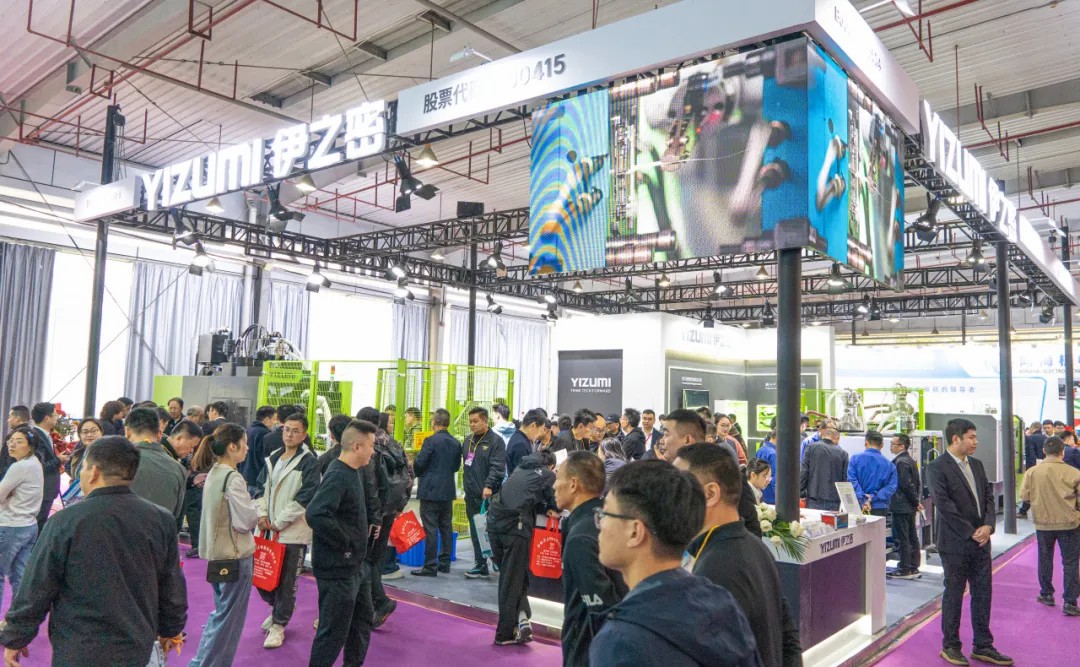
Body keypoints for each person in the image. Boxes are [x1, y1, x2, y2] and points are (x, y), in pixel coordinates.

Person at [0, 436, 187, 666]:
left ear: (94, 471)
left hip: (79, 645)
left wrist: (17, 635)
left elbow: (38, 585)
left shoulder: (66, 521)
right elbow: (171, 582)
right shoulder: (160, 519)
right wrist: (171, 628)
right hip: (136, 644)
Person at [590, 461, 761, 666]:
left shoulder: (620, 640)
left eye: (606, 514)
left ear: (635, 531)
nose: (600, 524)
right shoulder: (722, 604)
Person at [675, 444, 801, 667]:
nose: (672, 497)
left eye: (678, 486)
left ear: (710, 493)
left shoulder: (715, 568)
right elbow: (789, 638)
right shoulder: (756, 548)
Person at [927, 418, 1012, 666]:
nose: (976, 442)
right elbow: (944, 506)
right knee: (954, 594)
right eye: (972, 437)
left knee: (983, 593)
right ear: (956, 439)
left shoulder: (976, 464)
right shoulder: (937, 467)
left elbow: (988, 498)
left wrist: (988, 526)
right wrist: (971, 532)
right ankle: (951, 646)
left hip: (981, 542)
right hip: (955, 543)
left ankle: (983, 645)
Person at [306, 419, 377, 667]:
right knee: (333, 632)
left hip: (356, 566)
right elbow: (316, 513)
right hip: (338, 569)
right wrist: (345, 542)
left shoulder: (354, 472)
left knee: (362, 622)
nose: (373, 451)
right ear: (357, 446)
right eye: (371, 445)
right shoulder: (338, 474)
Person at [188, 424, 259, 667]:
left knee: (221, 614)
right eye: (245, 442)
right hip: (235, 555)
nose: (247, 448)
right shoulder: (232, 477)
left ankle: (201, 661)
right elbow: (245, 521)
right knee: (229, 621)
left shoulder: (215, 473)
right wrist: (257, 509)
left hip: (218, 555)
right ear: (232, 446)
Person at [554, 451, 627, 666]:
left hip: (588, 650)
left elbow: (601, 607)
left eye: (558, 477)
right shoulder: (607, 519)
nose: (554, 485)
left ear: (573, 484)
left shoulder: (581, 537)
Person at [255, 412, 320, 650]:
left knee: (287, 581)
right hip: (267, 531)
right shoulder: (273, 457)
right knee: (262, 578)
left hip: (293, 532)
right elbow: (260, 488)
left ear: (304, 435)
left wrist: (279, 521)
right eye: (286, 429)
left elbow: (306, 497)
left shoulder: (309, 462)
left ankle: (279, 625)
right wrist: (262, 514)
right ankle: (280, 608)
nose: (289, 435)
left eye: (295, 431)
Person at [486, 450, 558, 645]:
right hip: (515, 528)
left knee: (514, 577)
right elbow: (554, 501)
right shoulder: (547, 474)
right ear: (551, 465)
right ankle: (504, 634)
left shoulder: (520, 468)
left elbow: (527, 497)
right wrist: (552, 508)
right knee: (511, 581)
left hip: (494, 525)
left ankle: (522, 619)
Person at [1019, 435, 1080, 616]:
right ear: (1063, 452)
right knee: (1070, 562)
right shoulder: (1074, 473)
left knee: (1045, 558)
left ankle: (1046, 594)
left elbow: (1025, 496)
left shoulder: (1032, 472)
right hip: (1069, 523)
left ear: (1044, 451)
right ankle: (1070, 602)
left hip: (1043, 523)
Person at [412, 408, 463, 576]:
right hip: (447, 490)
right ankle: (444, 563)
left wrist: (417, 471)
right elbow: (456, 466)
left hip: (430, 490)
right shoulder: (455, 443)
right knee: (446, 526)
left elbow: (420, 463)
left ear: (434, 422)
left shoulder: (430, 441)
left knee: (431, 528)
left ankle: (430, 565)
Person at [0, 428, 44, 610]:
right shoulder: (35, 463)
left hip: (10, 525)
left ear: (30, 446)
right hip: (29, 525)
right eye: (11, 440)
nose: (12, 444)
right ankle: (19, 617)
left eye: (19, 441)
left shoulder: (20, 467)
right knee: (21, 576)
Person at [462, 406, 506, 579]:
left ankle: (497, 560)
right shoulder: (468, 441)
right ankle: (480, 564)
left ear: (485, 421)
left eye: (476, 421)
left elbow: (498, 467)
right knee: (475, 530)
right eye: (470, 421)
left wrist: (488, 486)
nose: (472, 424)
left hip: (488, 496)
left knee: (491, 531)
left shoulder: (496, 442)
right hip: (471, 495)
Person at [126, 407, 187, 520]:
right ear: (159, 433)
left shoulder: (117, 462)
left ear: (127, 431)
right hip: (161, 529)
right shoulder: (178, 468)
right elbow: (177, 516)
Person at [889, 434, 923, 580]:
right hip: (909, 505)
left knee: (902, 538)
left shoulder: (900, 462)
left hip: (901, 505)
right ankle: (913, 566)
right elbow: (916, 484)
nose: (891, 447)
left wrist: (915, 501)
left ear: (902, 446)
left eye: (893, 444)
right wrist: (916, 501)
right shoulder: (910, 460)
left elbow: (906, 485)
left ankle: (904, 569)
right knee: (911, 536)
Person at [848, 430, 898, 516]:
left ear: (866, 443)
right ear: (882, 445)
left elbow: (852, 481)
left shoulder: (854, 460)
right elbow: (891, 487)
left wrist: (863, 499)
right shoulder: (890, 466)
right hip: (880, 506)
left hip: (859, 505)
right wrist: (873, 497)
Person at [28, 403, 61, 530]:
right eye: (55, 415)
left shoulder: (46, 435)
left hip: (47, 489)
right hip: (43, 489)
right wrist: (59, 460)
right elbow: (39, 466)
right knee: (38, 524)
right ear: (47, 418)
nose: (57, 418)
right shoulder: (36, 436)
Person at [800, 426, 849, 511]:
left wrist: (801, 493)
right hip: (834, 501)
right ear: (836, 438)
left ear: (823, 436)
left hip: (813, 499)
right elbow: (844, 479)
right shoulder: (843, 454)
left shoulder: (811, 448)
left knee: (813, 519)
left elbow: (804, 472)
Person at [242, 405, 278, 497]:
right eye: (274, 419)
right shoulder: (265, 434)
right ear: (267, 419)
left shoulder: (247, 430)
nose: (275, 422)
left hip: (244, 478)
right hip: (257, 480)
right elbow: (265, 459)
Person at [507, 409, 546, 476]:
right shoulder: (520, 445)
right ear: (533, 426)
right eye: (540, 430)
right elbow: (524, 475)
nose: (540, 435)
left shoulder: (518, 437)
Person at [755, 432, 778, 504]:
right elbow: (775, 478)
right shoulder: (774, 453)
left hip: (760, 491)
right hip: (771, 495)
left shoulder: (760, 449)